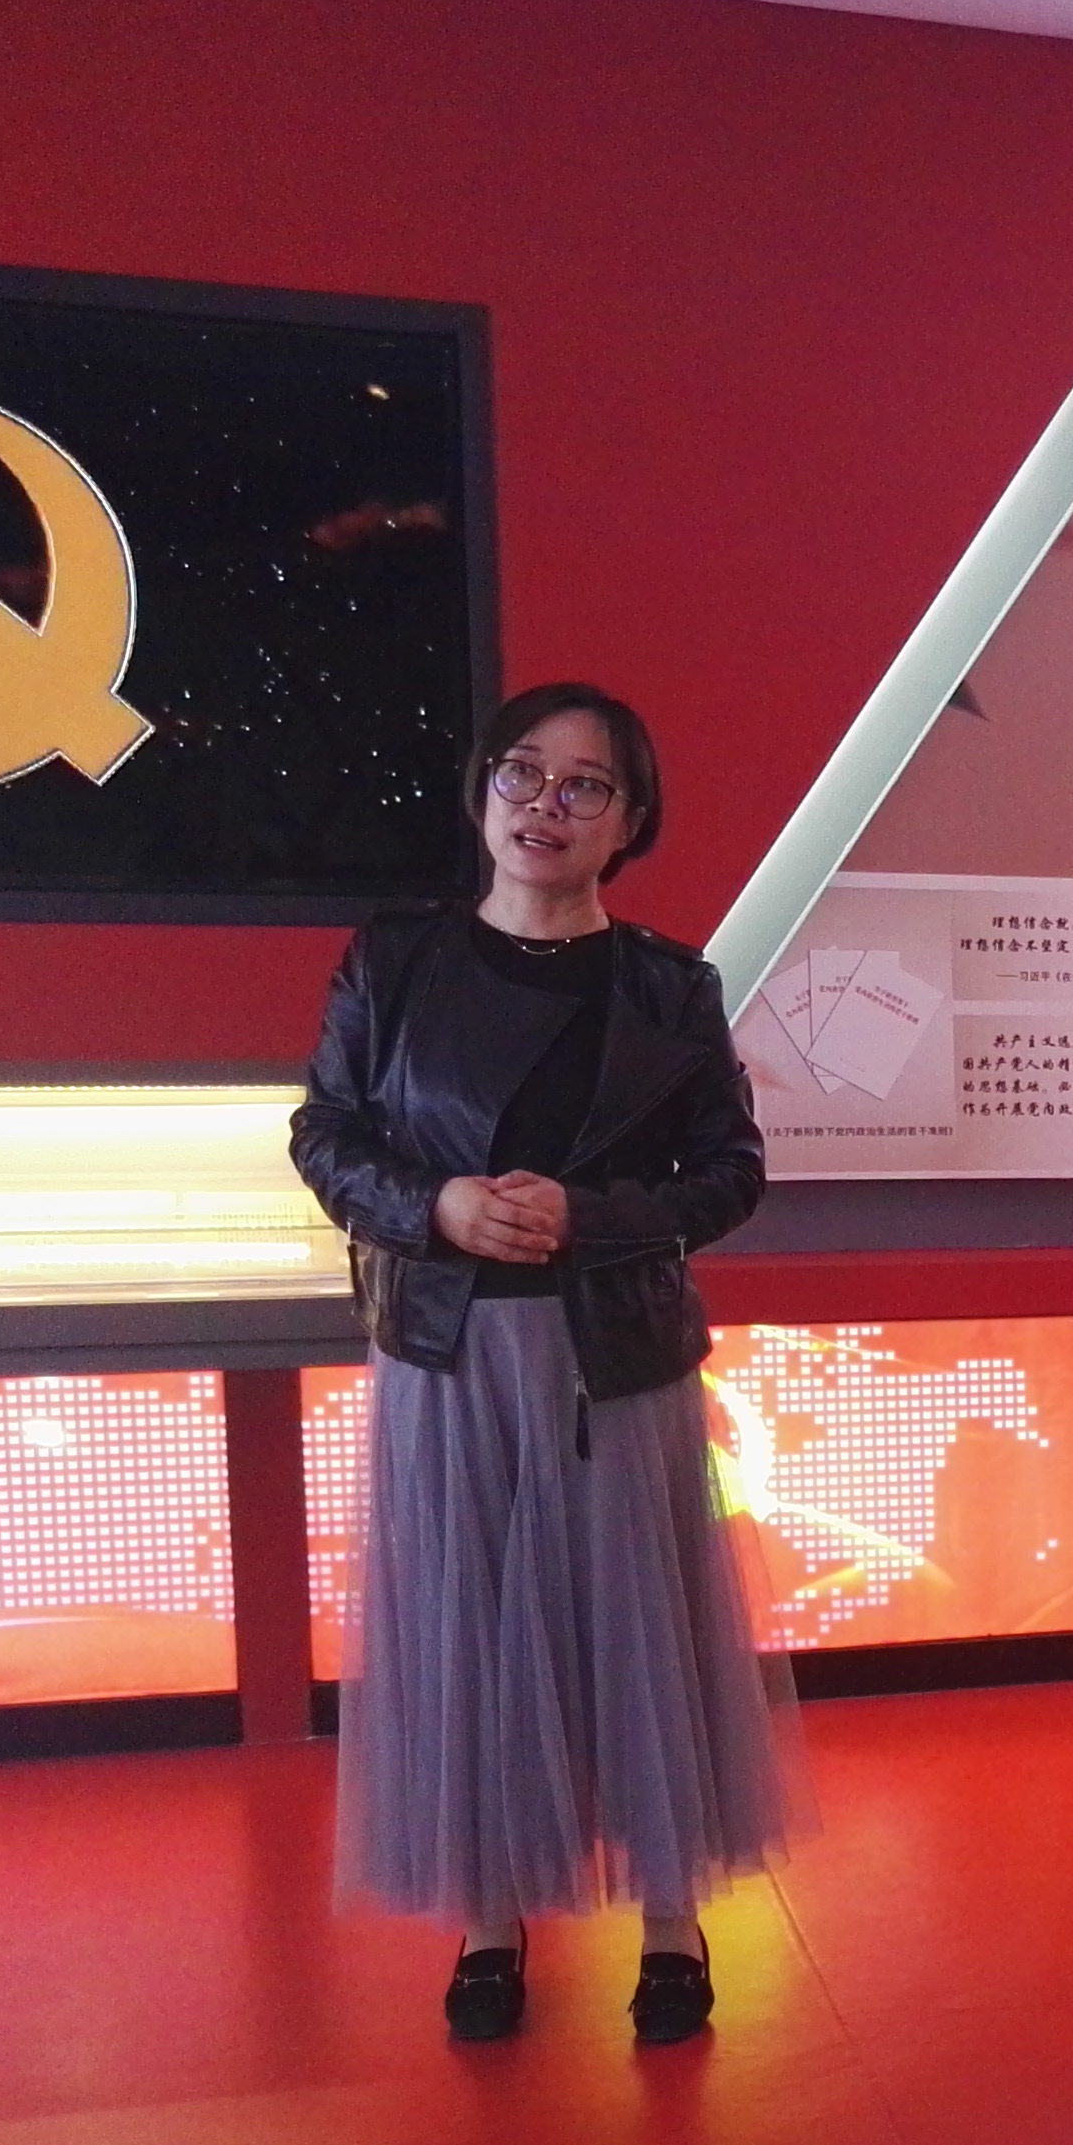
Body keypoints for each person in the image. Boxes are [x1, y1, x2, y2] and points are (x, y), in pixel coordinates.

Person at [288, 682, 790, 2047]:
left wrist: (590, 1218)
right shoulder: (396, 961)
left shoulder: (668, 987)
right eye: (523, 773)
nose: (544, 807)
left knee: (640, 1636)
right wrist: (436, 1207)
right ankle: (489, 1918)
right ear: (483, 791)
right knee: (466, 1636)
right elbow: (327, 1135)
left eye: (584, 787)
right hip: (446, 1355)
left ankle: (672, 1923)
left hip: (612, 1359)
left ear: (631, 823)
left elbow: (729, 1175)